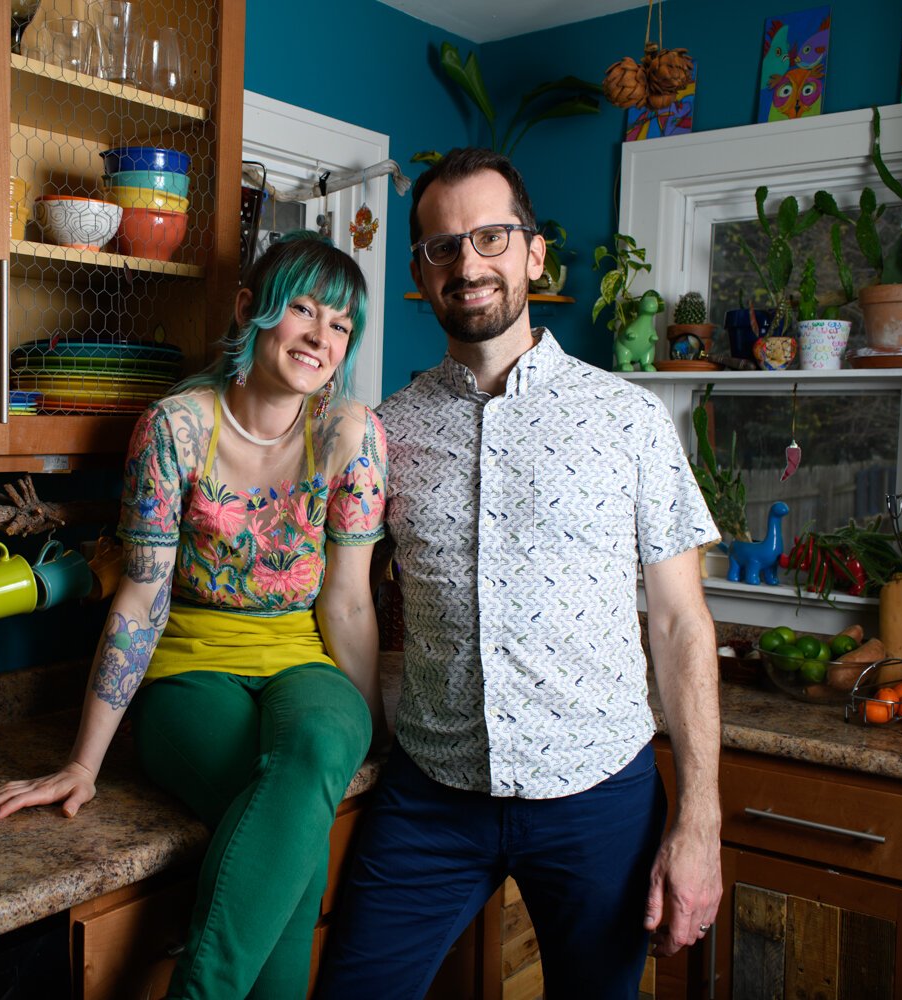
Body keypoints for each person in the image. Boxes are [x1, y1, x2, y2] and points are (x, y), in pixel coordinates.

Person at [316, 148, 722, 999]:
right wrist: (367, 735)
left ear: (533, 255)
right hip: (430, 792)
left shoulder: (630, 421)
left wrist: (700, 820)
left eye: (491, 237)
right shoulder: (386, 431)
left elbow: (681, 622)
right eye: (441, 246)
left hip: (599, 795)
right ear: (420, 274)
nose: (468, 263)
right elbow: (346, 595)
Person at [0, 232, 389, 1000]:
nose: (320, 337)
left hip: (301, 656)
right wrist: (83, 764)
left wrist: (371, 738)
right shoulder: (176, 428)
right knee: (290, 826)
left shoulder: (350, 435)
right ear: (249, 310)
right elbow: (141, 595)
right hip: (187, 667)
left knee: (323, 747)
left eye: (340, 324)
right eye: (301, 308)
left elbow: (351, 598)